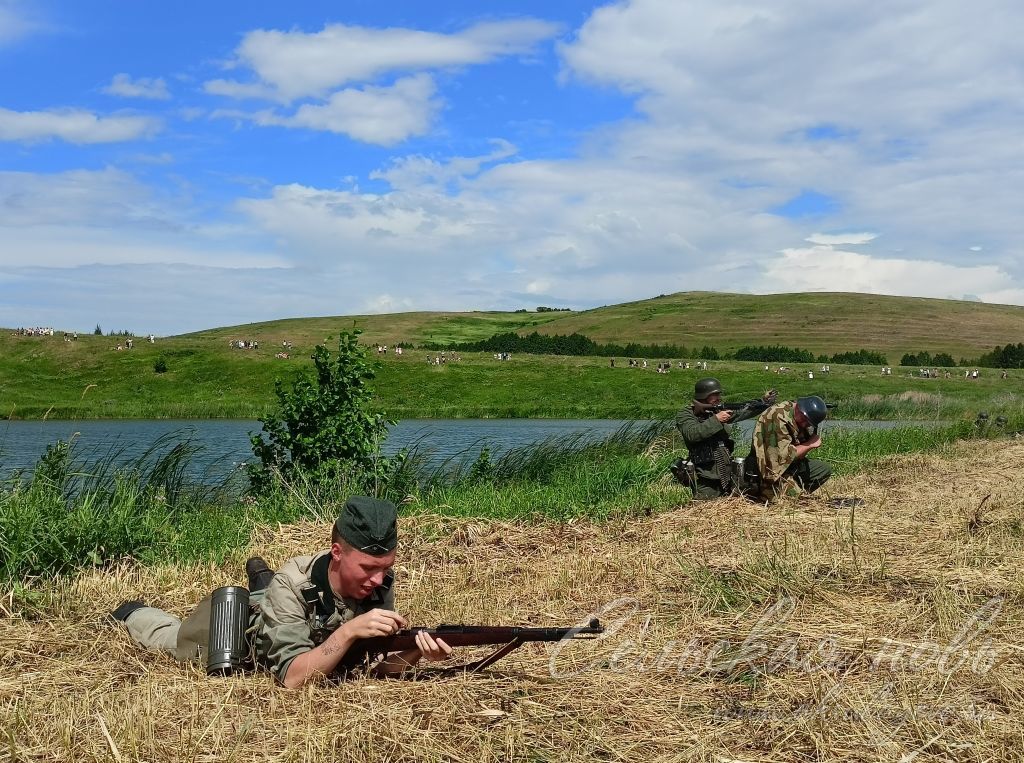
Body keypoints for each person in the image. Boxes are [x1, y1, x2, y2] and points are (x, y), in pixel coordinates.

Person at [112, 496, 452, 687]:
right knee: (174, 639)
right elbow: (292, 678)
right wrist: (349, 630)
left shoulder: (379, 581)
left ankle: (261, 578)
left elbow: (373, 665)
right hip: (245, 633)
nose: (379, 579)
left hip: (291, 611)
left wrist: (415, 653)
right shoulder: (295, 581)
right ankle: (131, 612)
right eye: (367, 568)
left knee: (277, 593)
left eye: (385, 566)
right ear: (337, 552)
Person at [675, 378, 774, 500]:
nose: (718, 397)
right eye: (714, 394)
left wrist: (763, 402)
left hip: (726, 471)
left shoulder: (716, 410)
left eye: (719, 394)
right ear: (704, 395)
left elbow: (742, 411)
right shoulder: (686, 414)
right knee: (704, 511)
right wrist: (716, 419)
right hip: (705, 476)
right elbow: (692, 433)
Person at [743, 396, 831, 501]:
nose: (805, 424)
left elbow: (797, 450)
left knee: (823, 469)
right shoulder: (777, 417)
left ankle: (795, 489)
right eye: (805, 420)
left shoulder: (797, 417)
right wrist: (810, 444)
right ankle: (767, 494)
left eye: (808, 423)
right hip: (769, 473)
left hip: (789, 467)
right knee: (797, 502)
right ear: (799, 408)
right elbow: (782, 458)